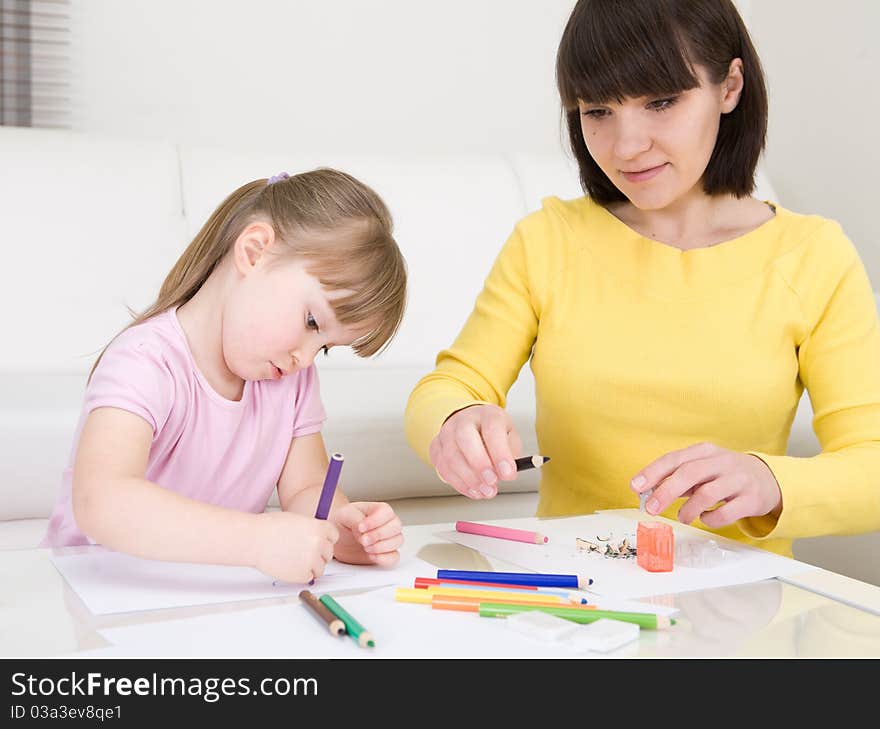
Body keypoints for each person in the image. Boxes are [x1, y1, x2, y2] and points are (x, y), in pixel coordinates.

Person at [404, 0, 880, 557]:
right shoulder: (549, 239)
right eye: (597, 111)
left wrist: (770, 482)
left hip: (742, 612)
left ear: (729, 86)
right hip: (575, 601)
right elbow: (449, 386)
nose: (625, 146)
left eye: (661, 102)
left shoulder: (812, 255)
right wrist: (458, 420)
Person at [42, 168, 408, 584]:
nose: (306, 359)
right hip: (100, 590)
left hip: (208, 597)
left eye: (324, 347)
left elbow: (307, 489)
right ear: (253, 252)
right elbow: (101, 500)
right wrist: (256, 541)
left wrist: (340, 531)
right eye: (311, 321)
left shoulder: (292, 380)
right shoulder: (146, 361)